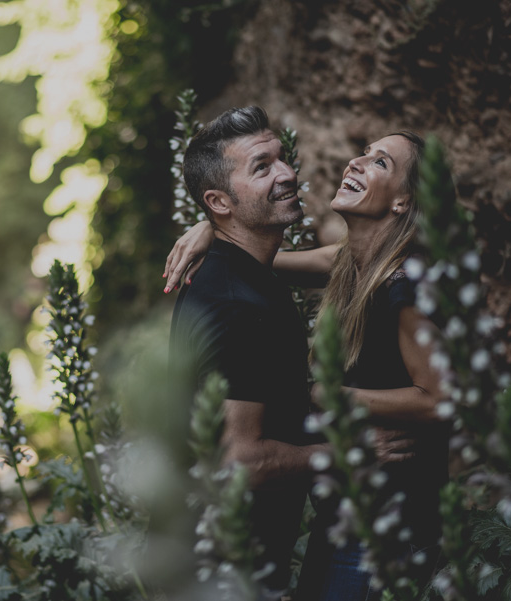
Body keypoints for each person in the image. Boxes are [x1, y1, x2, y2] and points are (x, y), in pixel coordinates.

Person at [166, 130, 448, 600]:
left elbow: (443, 398)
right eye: (363, 152)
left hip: (386, 519)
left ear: (403, 202)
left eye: (380, 163)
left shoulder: (405, 286)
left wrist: (320, 394)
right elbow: (277, 259)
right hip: (345, 511)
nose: (358, 162)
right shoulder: (359, 262)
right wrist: (217, 227)